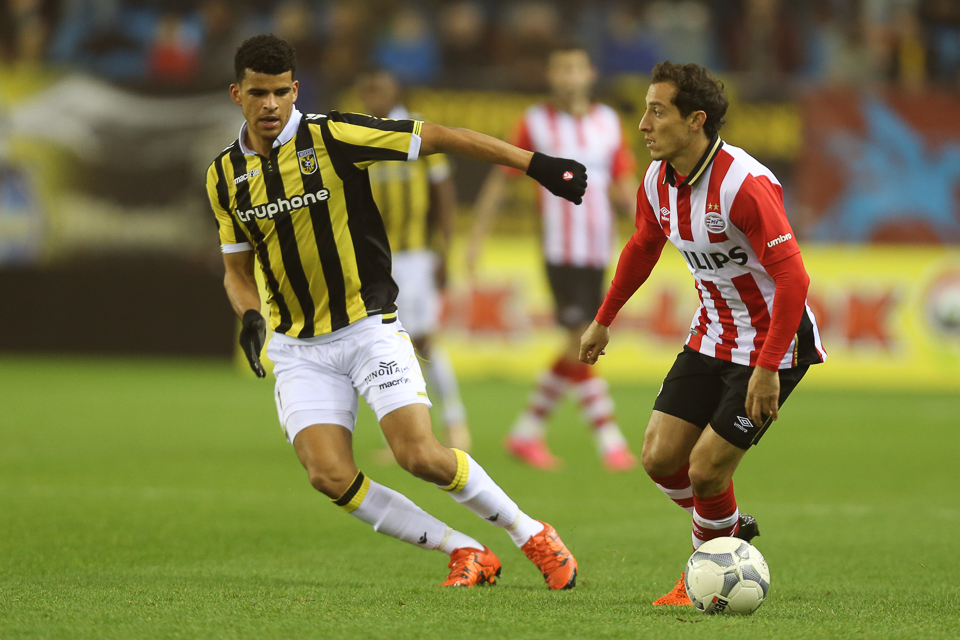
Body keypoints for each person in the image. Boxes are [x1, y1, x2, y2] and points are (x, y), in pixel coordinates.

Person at [206, 34, 583, 589]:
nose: (270, 104)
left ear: (295, 90)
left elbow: (439, 136)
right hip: (297, 347)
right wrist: (248, 316)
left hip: (367, 327)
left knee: (420, 456)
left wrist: (535, 164)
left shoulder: (331, 136)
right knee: (328, 475)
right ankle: (465, 550)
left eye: (280, 92)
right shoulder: (223, 176)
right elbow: (237, 270)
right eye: (258, 93)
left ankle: (531, 533)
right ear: (237, 94)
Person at [579, 61, 826, 606]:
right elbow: (643, 246)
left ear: (695, 120)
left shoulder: (743, 185)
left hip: (774, 347)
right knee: (659, 459)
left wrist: (768, 368)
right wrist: (604, 318)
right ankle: (730, 529)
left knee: (707, 470)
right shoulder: (656, 180)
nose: (643, 124)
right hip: (711, 334)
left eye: (657, 111)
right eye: (645, 110)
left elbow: (794, 279)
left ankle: (702, 574)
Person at [466, 46, 639, 473]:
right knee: (582, 340)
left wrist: (651, 228)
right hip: (560, 249)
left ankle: (526, 433)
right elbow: (503, 178)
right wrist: (477, 235)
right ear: (550, 75)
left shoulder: (609, 122)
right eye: (561, 68)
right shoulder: (535, 122)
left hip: (599, 249)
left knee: (577, 344)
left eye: (576, 67)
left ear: (590, 73)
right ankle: (610, 441)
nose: (569, 76)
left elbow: (623, 182)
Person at [355, 67, 471, 455]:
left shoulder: (417, 131)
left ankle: (454, 421)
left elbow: (444, 193)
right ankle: (403, 434)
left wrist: (445, 249)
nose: (375, 96)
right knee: (384, 346)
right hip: (375, 259)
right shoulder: (358, 136)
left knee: (423, 340)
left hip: (416, 255)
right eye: (368, 90)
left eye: (381, 88)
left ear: (395, 91)